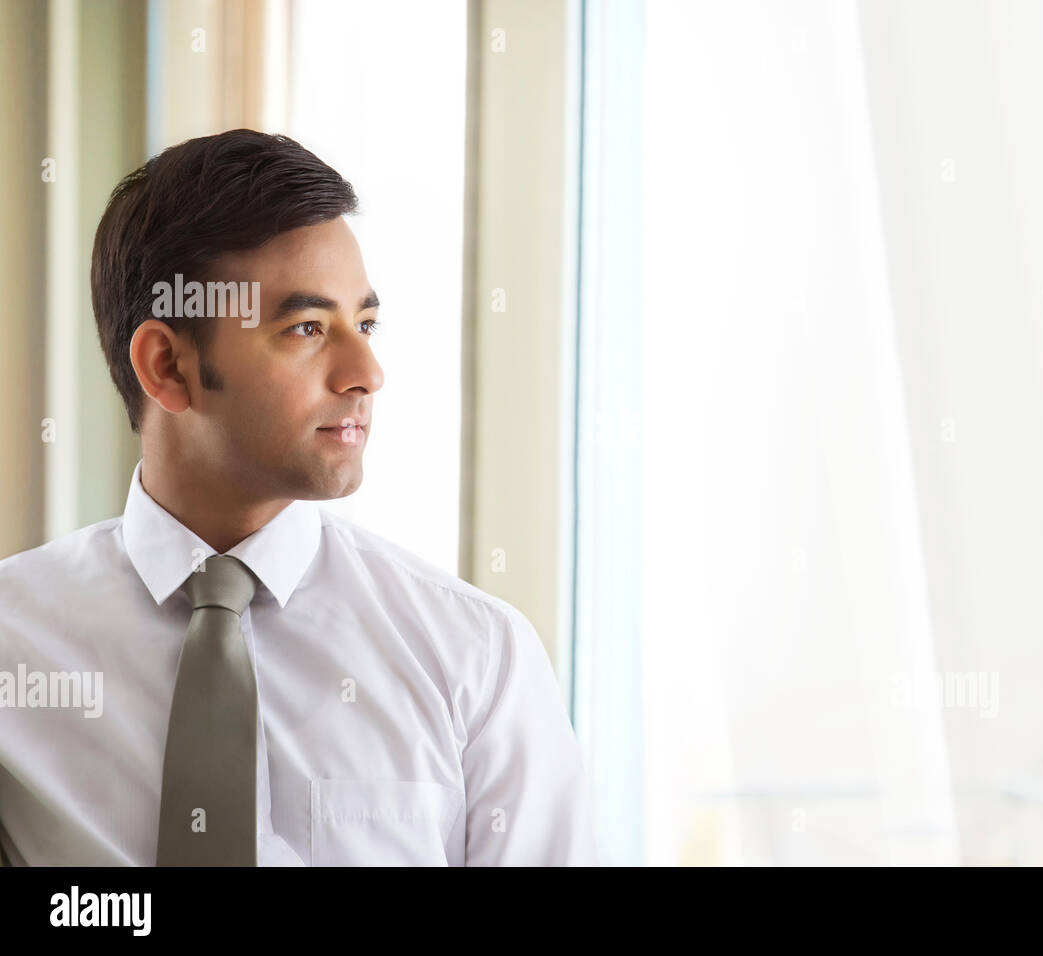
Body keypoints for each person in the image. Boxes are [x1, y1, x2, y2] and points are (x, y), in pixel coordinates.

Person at [0, 129, 600, 866]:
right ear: (167, 366)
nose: (366, 372)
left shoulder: (475, 659)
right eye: (308, 328)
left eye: (367, 324)